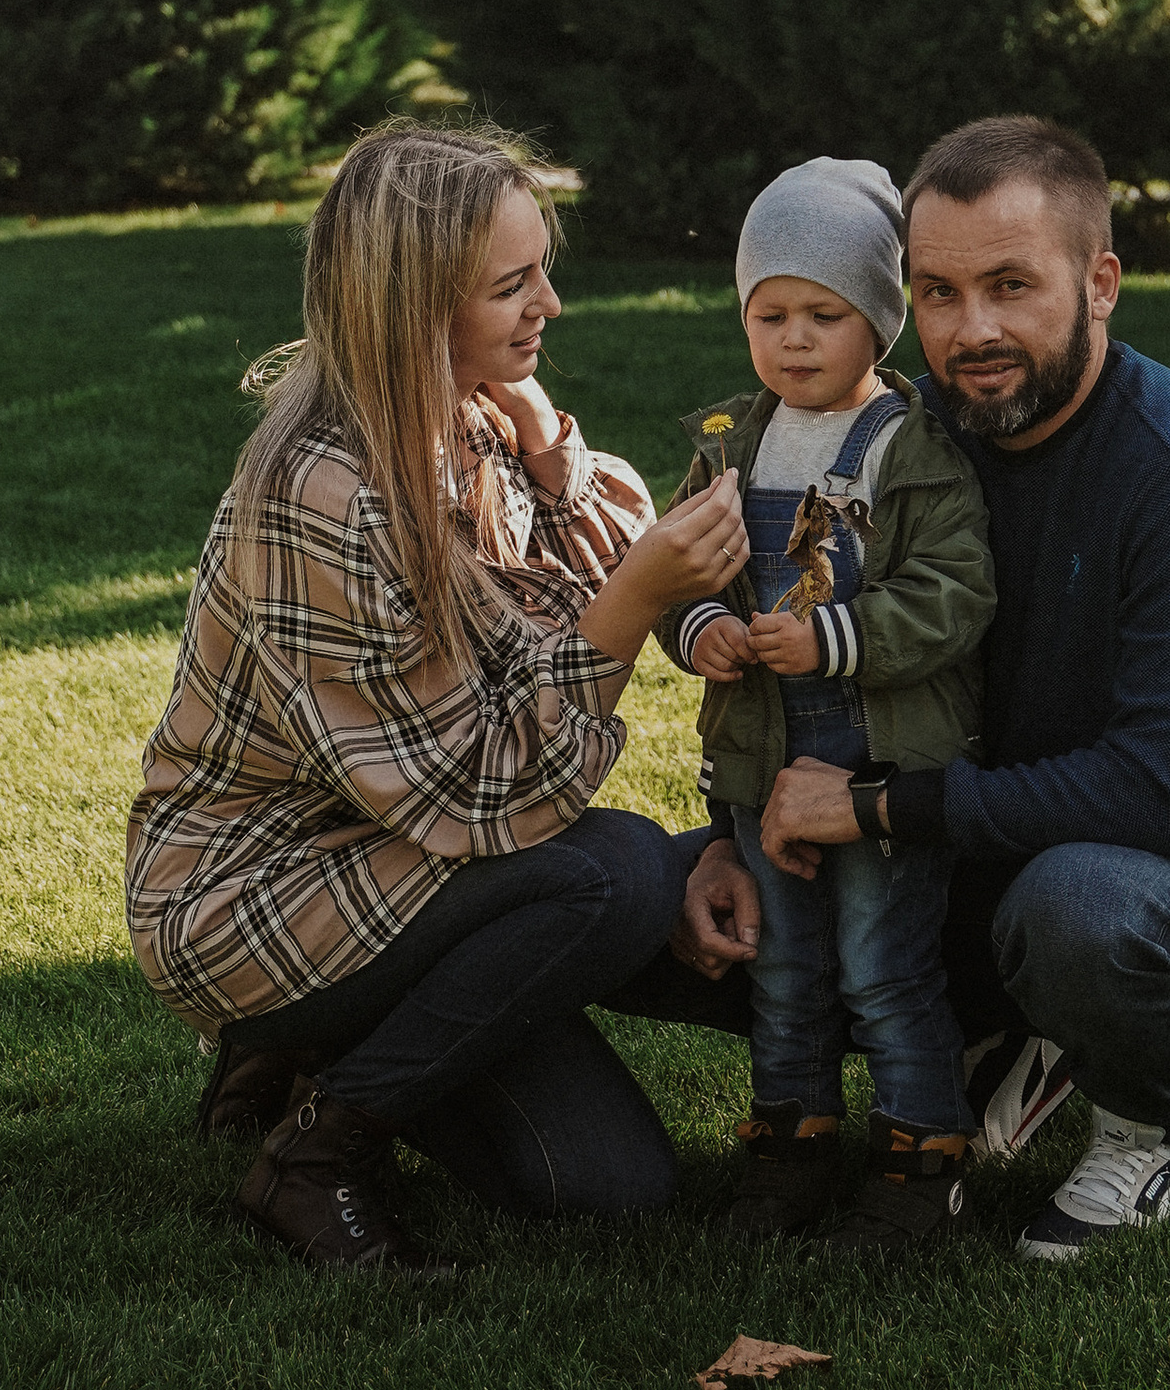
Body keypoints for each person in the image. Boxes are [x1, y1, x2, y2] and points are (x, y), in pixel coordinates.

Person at [664, 114, 1170, 1262]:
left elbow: (1152, 795)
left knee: (1075, 915)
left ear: (1101, 283)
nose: (974, 331)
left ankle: (1158, 1117)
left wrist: (871, 809)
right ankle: (998, 1033)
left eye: (1012, 285)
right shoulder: (901, 438)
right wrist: (732, 832)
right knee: (640, 898)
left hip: (1165, 881)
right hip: (937, 853)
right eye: (938, 293)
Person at [126, 118, 748, 1273]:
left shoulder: (466, 416)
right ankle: (317, 1152)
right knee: (611, 874)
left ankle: (313, 1053)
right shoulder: (318, 489)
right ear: (414, 305)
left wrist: (553, 453)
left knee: (607, 1187)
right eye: (512, 285)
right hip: (257, 895)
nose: (548, 305)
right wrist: (627, 609)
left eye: (540, 272)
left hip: (400, 868)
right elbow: (480, 793)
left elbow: (577, 584)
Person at [658, 156, 993, 1256]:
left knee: (885, 964)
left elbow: (955, 593)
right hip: (762, 763)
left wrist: (833, 637)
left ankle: (919, 1159)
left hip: (875, 761)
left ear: (880, 323)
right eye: (769, 314)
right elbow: (684, 571)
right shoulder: (729, 444)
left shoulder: (908, 446)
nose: (793, 339)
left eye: (824, 313)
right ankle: (789, 1149)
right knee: (787, 968)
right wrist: (699, 627)